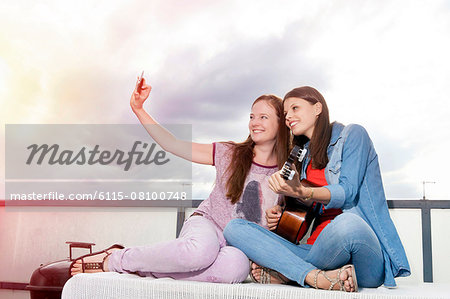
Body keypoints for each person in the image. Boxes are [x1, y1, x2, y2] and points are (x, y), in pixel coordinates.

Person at [70, 76, 289, 283]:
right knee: (199, 253)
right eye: (252, 116)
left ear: (281, 124)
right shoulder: (229, 153)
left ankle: (144, 268)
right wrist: (139, 109)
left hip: (236, 245)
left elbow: (276, 224)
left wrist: (277, 219)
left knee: (236, 269)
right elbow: (172, 144)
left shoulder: (286, 174)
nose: (254, 123)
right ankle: (118, 258)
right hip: (208, 225)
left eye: (263, 117)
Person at [224, 86, 410, 291]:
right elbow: (304, 216)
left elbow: (347, 192)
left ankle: (288, 273)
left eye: (295, 108)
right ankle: (313, 276)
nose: (289, 117)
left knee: (346, 222)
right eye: (286, 113)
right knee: (235, 228)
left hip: (361, 253)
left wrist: (304, 192)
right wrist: (283, 215)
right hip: (315, 251)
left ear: (317, 108)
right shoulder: (302, 156)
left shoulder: (353, 135)